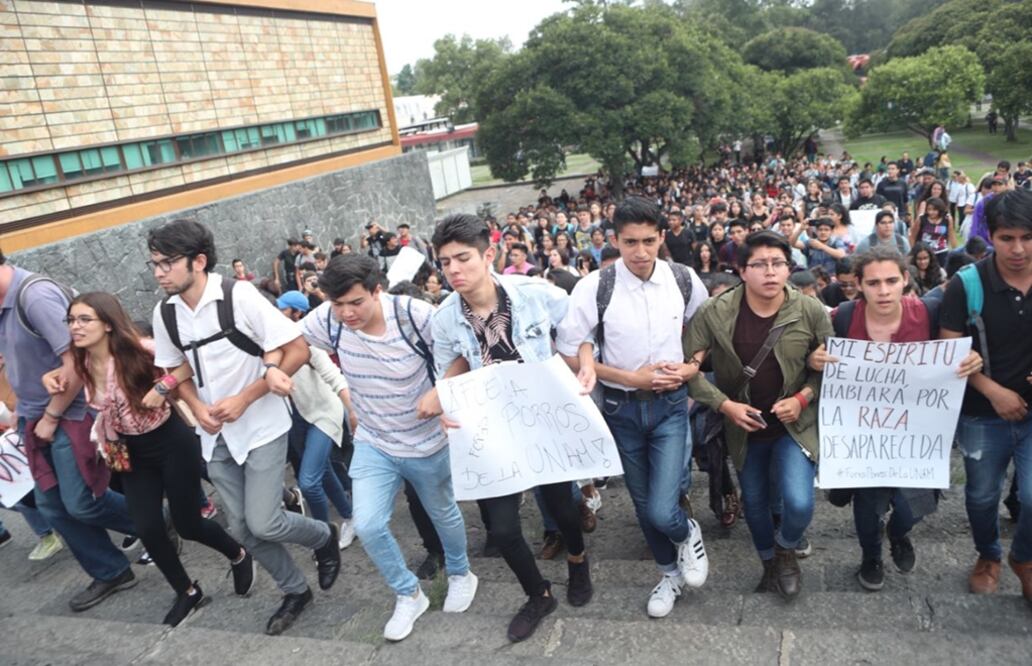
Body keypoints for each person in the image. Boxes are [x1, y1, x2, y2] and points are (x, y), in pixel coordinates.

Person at [147, 219, 340, 636]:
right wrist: (195, 405)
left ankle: (323, 536)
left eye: (167, 263)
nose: (159, 272)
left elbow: (298, 348)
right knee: (240, 530)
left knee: (265, 522)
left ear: (198, 261)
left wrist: (246, 397)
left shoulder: (238, 296)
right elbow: (174, 367)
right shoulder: (164, 312)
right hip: (213, 434)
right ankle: (294, 591)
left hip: (262, 425)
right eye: (154, 264)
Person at [424, 213, 593, 642]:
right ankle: (538, 593)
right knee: (501, 528)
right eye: (445, 263)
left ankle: (577, 557)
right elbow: (453, 362)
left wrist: (586, 362)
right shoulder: (444, 317)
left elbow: (576, 328)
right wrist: (445, 395)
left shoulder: (533, 293)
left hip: (541, 416)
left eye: (463, 259)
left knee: (560, 505)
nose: (454, 270)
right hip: (490, 424)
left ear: (488, 254)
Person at [299, 254, 477, 641]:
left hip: (426, 441)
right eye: (338, 303)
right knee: (367, 523)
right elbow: (294, 341)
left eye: (356, 302)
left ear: (377, 291)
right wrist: (277, 368)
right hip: (373, 441)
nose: (346, 313)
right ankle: (408, 593)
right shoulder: (328, 319)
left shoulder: (415, 314)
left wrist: (439, 391)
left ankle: (461, 571)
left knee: (442, 511)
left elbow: (462, 352)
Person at [52, 292, 252, 626]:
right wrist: (50, 378)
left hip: (171, 442)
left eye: (84, 319)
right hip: (129, 450)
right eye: (71, 320)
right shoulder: (82, 362)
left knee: (188, 524)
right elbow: (65, 381)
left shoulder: (141, 349)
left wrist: (162, 388)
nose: (76, 326)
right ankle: (187, 591)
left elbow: (189, 362)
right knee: (148, 527)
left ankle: (238, 553)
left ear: (107, 323)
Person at [557, 197, 709, 619]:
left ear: (662, 237)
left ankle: (687, 532)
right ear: (615, 241)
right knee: (642, 505)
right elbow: (569, 349)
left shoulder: (684, 279)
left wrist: (692, 366)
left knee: (664, 506)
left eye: (648, 241)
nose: (640, 252)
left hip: (671, 407)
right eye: (629, 242)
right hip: (621, 410)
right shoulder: (596, 286)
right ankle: (669, 574)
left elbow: (704, 329)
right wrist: (628, 377)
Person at [808, 248, 982, 591]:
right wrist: (814, 360)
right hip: (864, 436)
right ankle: (870, 555)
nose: (884, 290)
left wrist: (970, 358)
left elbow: (952, 353)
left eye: (891, 281)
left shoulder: (930, 313)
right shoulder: (842, 318)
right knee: (868, 505)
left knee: (917, 504)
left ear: (905, 279)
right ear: (858, 284)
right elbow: (817, 366)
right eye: (873, 282)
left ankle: (899, 531)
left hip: (916, 437)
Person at [683, 231, 832, 600]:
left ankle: (785, 550)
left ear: (789, 267)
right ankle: (768, 563)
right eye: (760, 264)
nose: (770, 272)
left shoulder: (809, 310)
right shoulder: (714, 312)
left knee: (798, 502)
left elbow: (829, 368)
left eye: (778, 263)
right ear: (741, 270)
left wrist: (802, 397)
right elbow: (689, 373)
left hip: (793, 426)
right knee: (754, 502)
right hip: (744, 429)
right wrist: (725, 405)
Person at [0, 250, 141, 612]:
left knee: (81, 501)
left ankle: (154, 519)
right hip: (34, 417)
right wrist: (22, 412)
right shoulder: (5, 305)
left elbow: (76, 360)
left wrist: (50, 415)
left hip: (68, 414)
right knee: (51, 504)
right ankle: (111, 570)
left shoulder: (34, 295)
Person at [939, 189, 1032, 604]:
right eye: (1007, 238)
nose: (1018, 249)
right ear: (990, 236)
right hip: (982, 413)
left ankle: (1024, 558)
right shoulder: (967, 284)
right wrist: (994, 392)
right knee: (980, 495)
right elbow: (950, 350)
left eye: (1028, 237)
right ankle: (988, 554)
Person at [274, 292, 356, 550]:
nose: (278, 314)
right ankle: (351, 516)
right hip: (295, 420)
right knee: (325, 470)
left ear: (296, 314)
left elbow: (335, 377)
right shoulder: (264, 347)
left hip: (323, 412)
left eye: (283, 310)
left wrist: (353, 411)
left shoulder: (303, 342)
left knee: (309, 481)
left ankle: (324, 537)